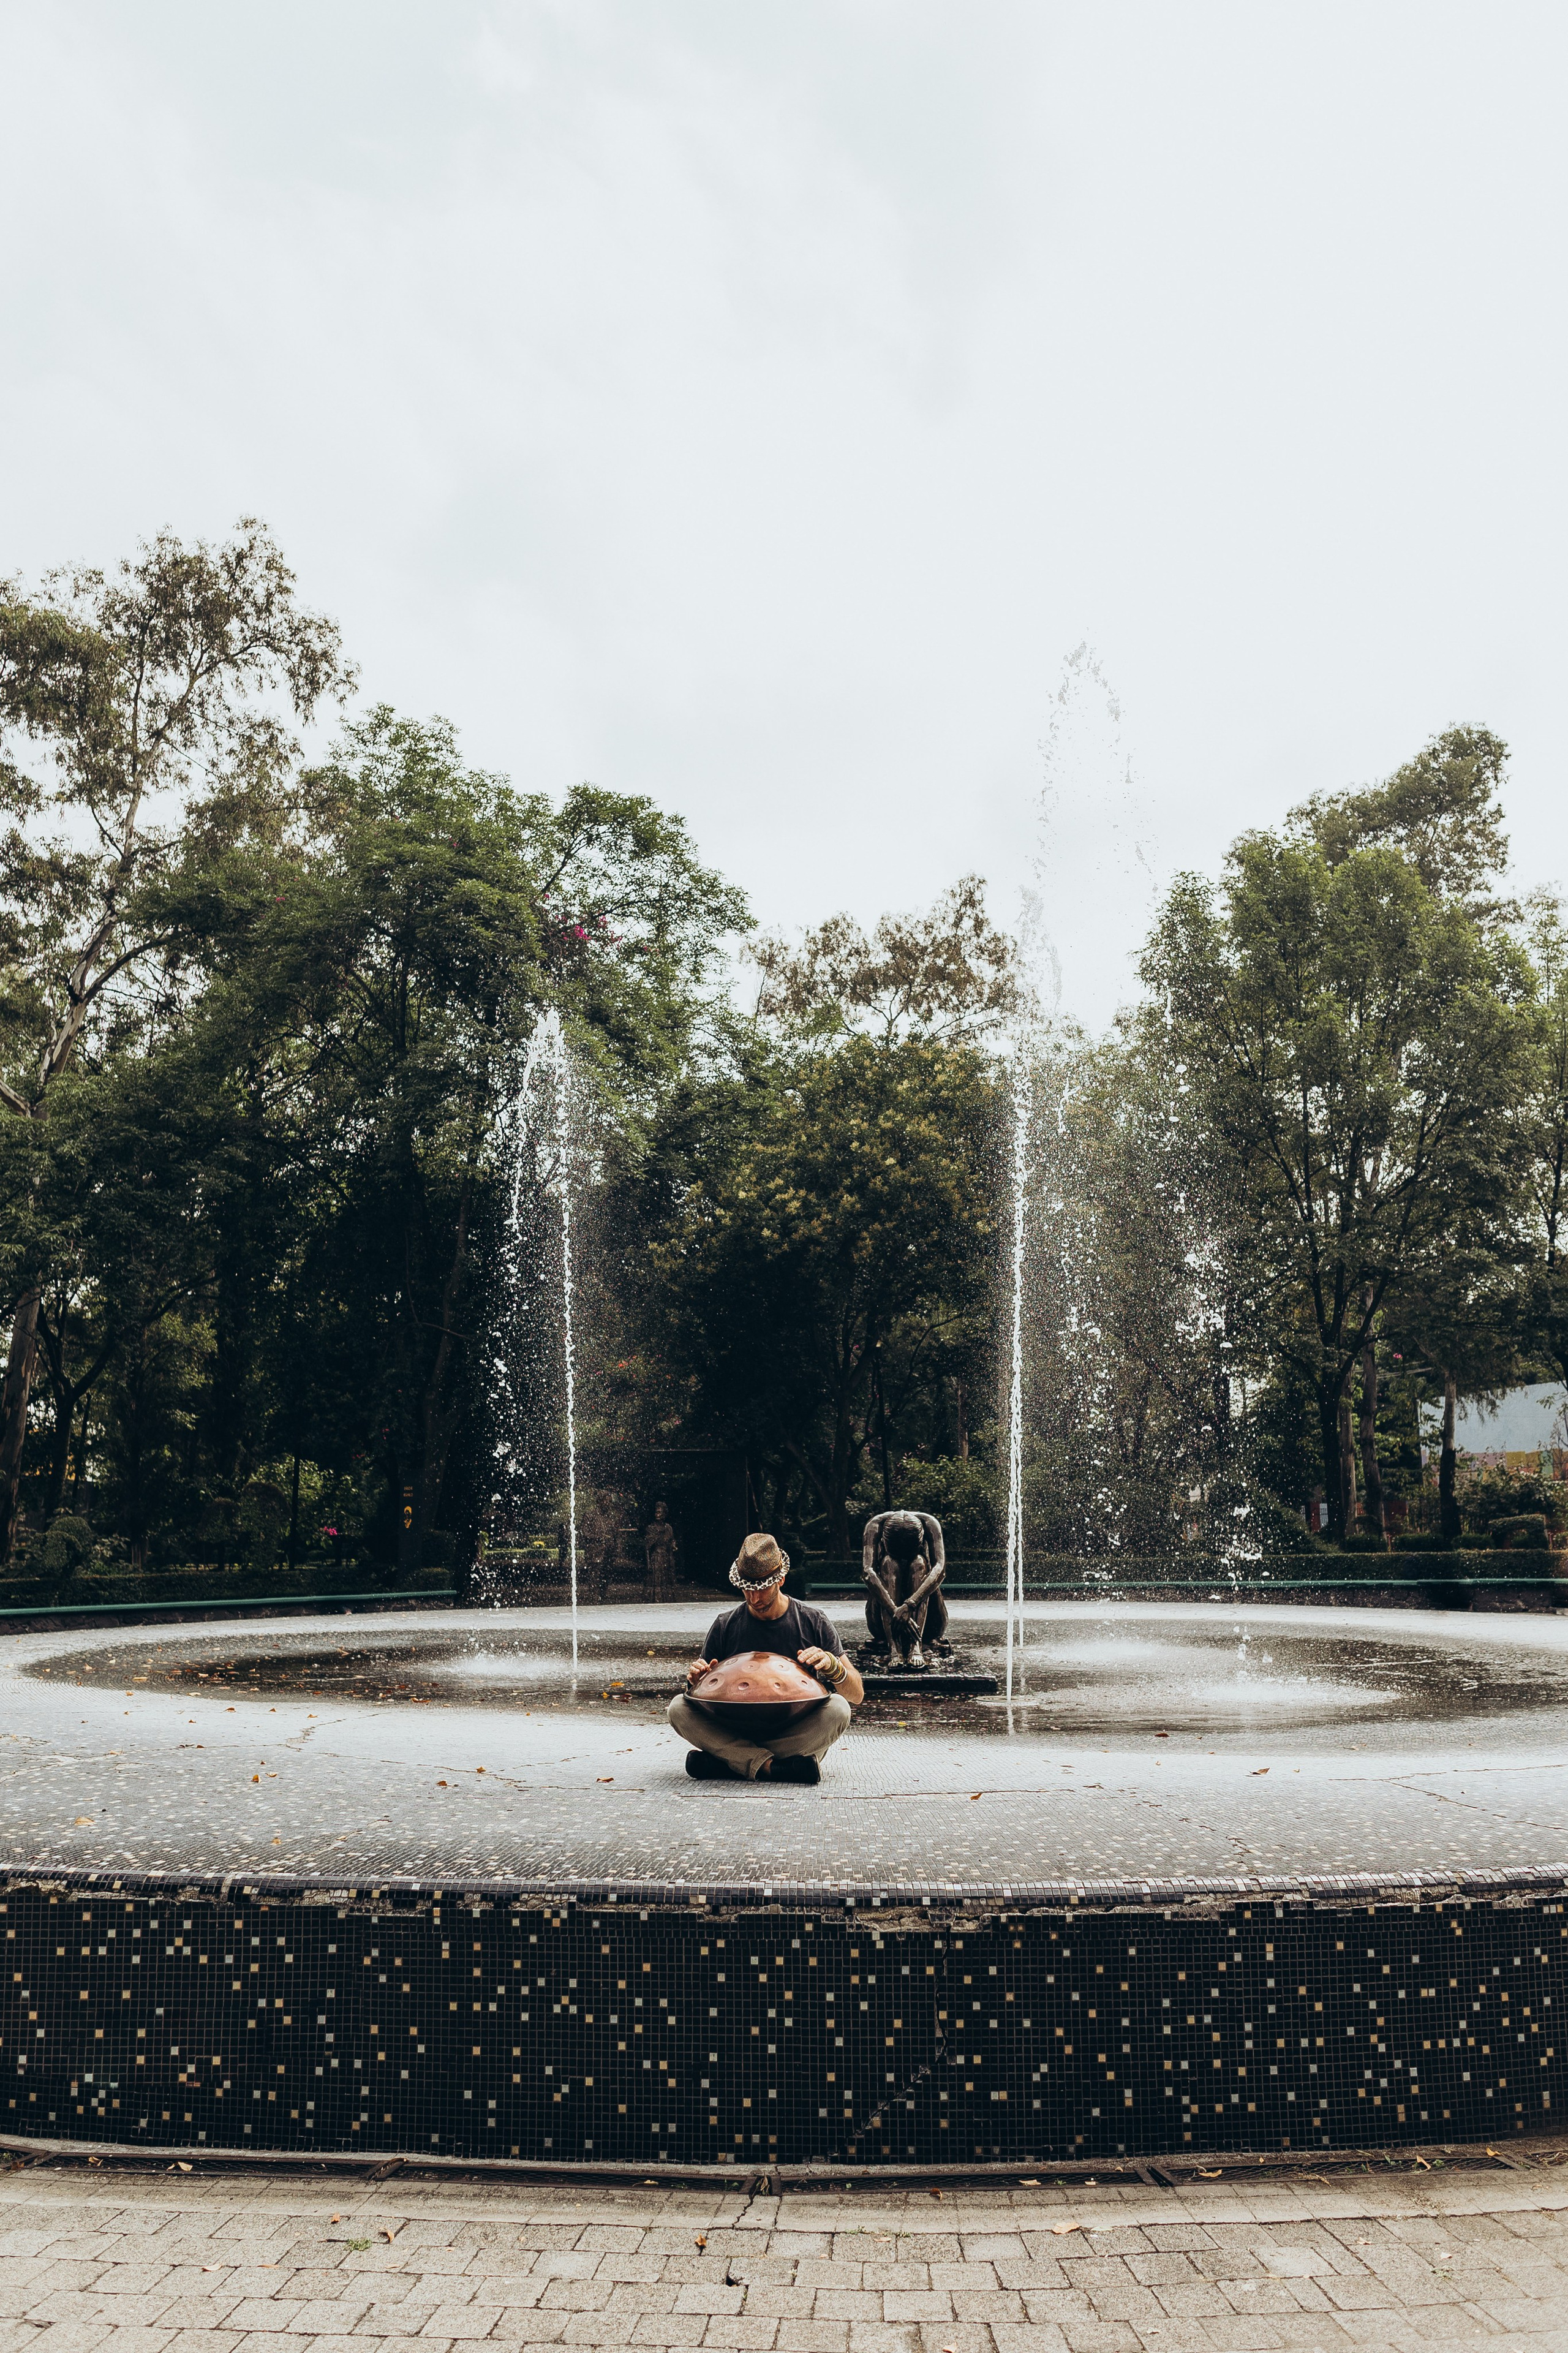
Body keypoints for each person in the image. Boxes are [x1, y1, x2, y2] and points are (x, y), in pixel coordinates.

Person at [668, 1530, 863, 1784]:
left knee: (839, 1708)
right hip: (736, 1727)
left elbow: (856, 1695)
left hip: (792, 1730)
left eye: (762, 1588)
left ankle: (731, 1763)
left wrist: (834, 1667)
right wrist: (695, 1682)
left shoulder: (813, 1621)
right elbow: (697, 1696)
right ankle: (776, 1768)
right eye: (747, 1588)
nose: (754, 1598)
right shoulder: (725, 1625)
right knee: (678, 1708)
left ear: (781, 1579)